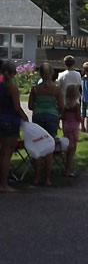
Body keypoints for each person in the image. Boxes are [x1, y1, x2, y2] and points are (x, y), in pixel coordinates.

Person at [28, 63, 63, 186]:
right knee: (49, 147)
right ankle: (47, 179)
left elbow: (30, 106)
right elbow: (61, 106)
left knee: (37, 146)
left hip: (38, 117)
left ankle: (36, 178)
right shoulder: (56, 89)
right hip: (52, 117)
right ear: (52, 73)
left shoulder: (35, 89)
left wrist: (40, 106)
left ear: (40, 74)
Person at [0, 61, 29, 192]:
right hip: (11, 122)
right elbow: (17, 107)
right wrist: (25, 117)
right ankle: (4, 185)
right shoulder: (12, 88)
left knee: (1, 153)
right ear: (14, 73)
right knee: (7, 154)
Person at [61, 84, 81, 178]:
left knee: (67, 147)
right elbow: (78, 117)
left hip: (66, 127)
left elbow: (63, 117)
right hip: (74, 127)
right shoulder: (76, 105)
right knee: (72, 148)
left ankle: (66, 167)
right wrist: (81, 120)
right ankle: (68, 170)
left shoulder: (65, 105)